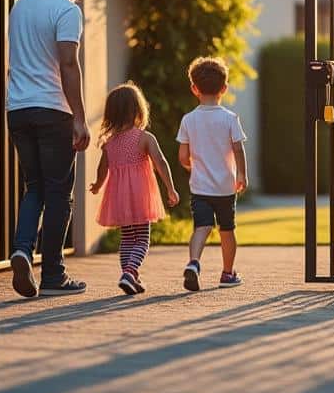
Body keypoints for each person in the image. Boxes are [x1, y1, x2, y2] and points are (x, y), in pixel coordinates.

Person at [7, 0, 97, 298]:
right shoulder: (67, 10)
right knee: (60, 193)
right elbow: (68, 64)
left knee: (35, 188)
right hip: (52, 110)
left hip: (18, 109)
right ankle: (54, 274)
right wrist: (79, 117)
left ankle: (21, 250)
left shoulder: (22, 4)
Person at [89, 82, 180, 295]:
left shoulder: (109, 143)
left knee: (128, 238)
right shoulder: (144, 138)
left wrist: (97, 185)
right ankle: (130, 272)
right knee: (143, 239)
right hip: (140, 196)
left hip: (119, 197)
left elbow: (103, 169)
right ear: (138, 110)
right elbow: (161, 163)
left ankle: (130, 276)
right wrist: (171, 188)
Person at [177, 57, 248, 291]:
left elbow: (182, 157)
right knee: (227, 230)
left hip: (200, 187)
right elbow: (238, 148)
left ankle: (194, 262)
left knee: (202, 227)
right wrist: (242, 175)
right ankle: (227, 274)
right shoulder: (230, 118)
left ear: (194, 88)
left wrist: (191, 166)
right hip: (226, 188)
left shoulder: (188, 120)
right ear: (224, 88)